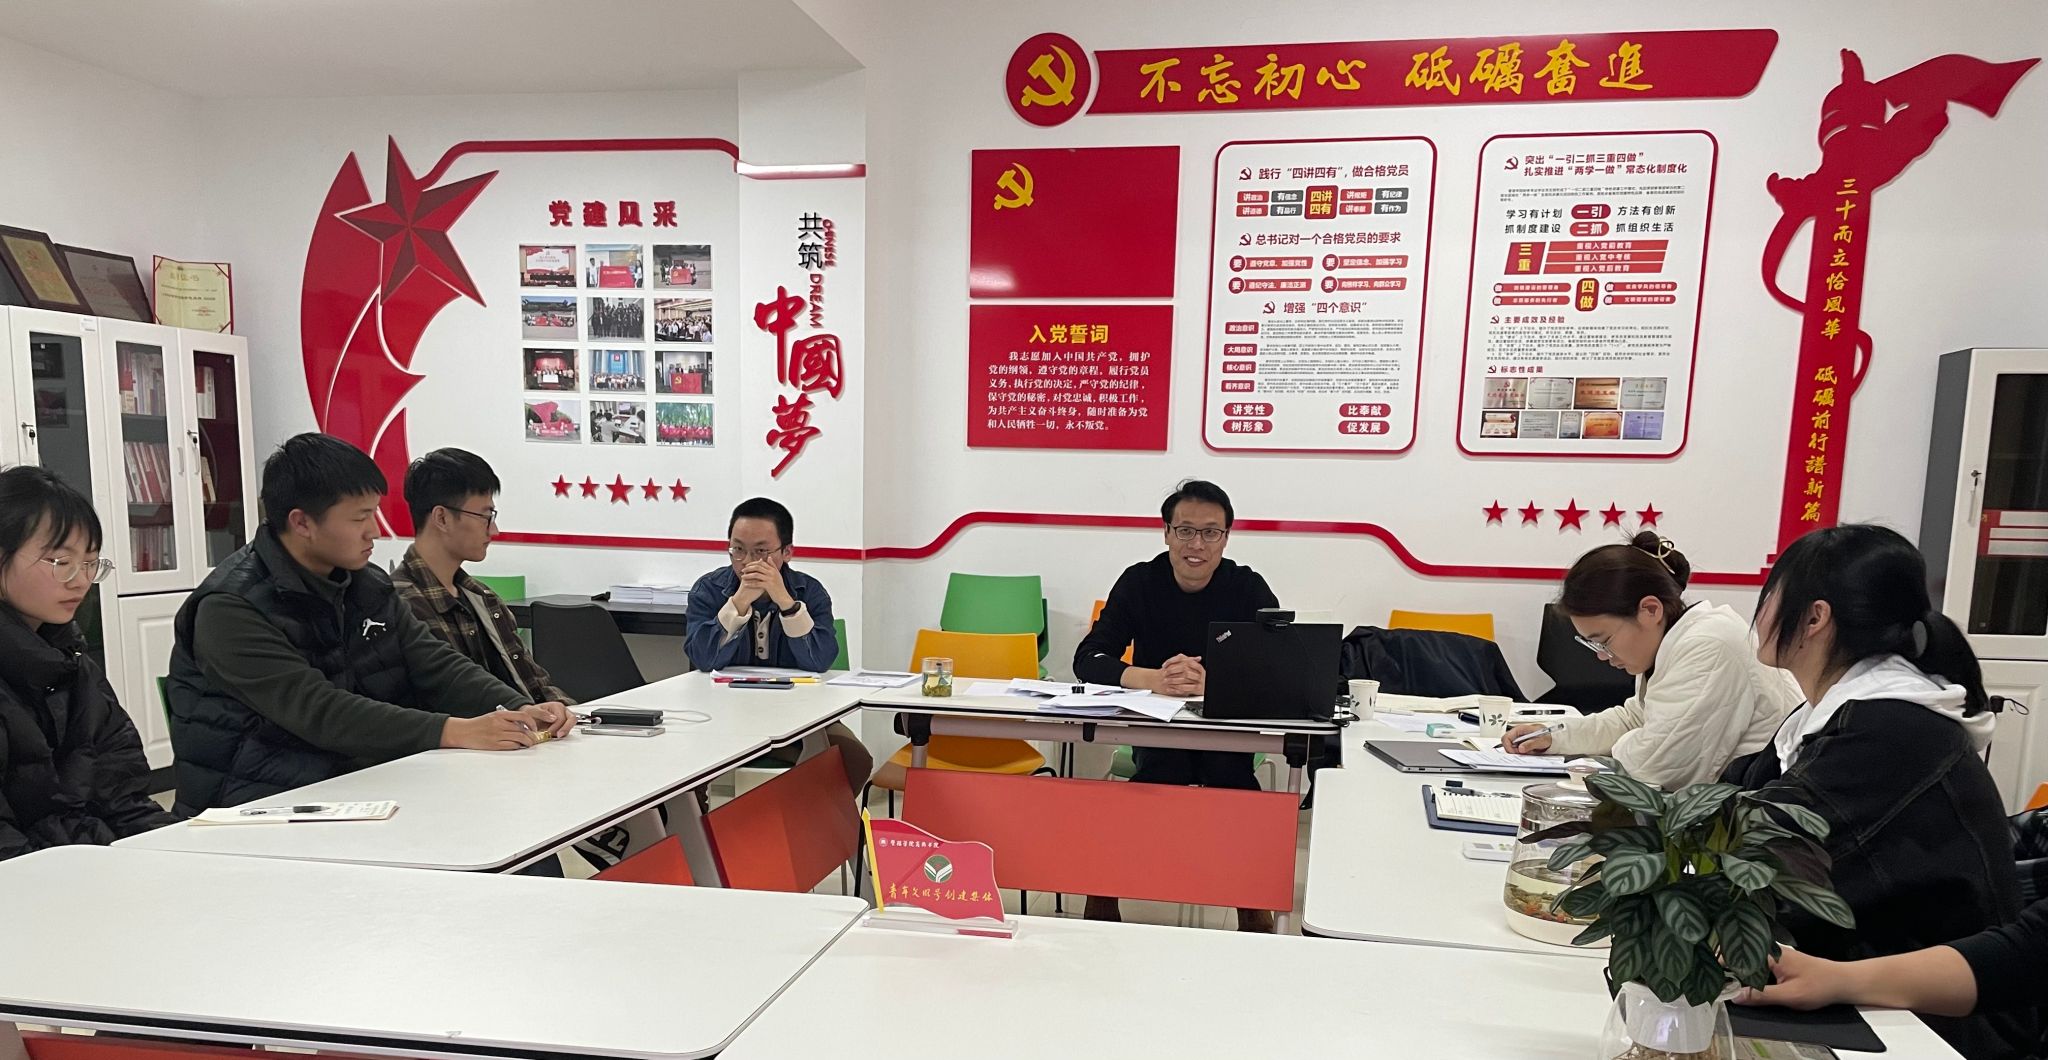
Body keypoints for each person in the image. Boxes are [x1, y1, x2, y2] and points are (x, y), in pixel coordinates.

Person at [1725, 523, 2030, 1060]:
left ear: (1815, 618)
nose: (1761, 610)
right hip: (1864, 977)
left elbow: (1761, 837)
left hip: (1937, 1018)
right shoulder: (1833, 712)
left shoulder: (1892, 727)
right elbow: (1740, 791)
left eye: (1771, 593)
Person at [166, 433, 573, 816]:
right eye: (360, 518)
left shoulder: (365, 584)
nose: (374, 532)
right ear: (302, 523)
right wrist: (454, 730)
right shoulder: (230, 608)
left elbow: (435, 663)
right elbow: (320, 711)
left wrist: (519, 708)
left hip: (357, 784)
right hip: (260, 805)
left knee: (517, 819)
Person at [1073, 479, 1278, 932]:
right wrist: (1153, 679)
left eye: (1210, 532)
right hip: (1158, 730)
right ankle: (1103, 896)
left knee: (1234, 787)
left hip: (1226, 736)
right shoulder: (1139, 582)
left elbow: (1276, 670)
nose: (1196, 544)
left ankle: (1253, 905)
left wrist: (1214, 681)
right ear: (1166, 533)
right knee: (1152, 783)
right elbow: (1088, 659)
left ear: (1226, 537)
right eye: (1185, 530)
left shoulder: (1247, 587)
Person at [1502, 532, 1799, 788]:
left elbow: (1656, 767)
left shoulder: (1708, 647)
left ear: (1650, 610)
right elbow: (1635, 719)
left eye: (1604, 640)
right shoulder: (1676, 642)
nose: (1602, 655)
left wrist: (1630, 742)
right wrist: (1555, 736)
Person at [0, 466, 176, 859]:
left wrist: (181, 854)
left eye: (90, 563)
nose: (80, 581)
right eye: (60, 562)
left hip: (86, 868)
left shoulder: (74, 665)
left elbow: (126, 800)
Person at [684, 497, 871, 792]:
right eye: (738, 549)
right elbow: (703, 658)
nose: (747, 562)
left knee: (853, 757)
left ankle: (810, 819)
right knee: (684, 765)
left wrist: (786, 602)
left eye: (761, 552)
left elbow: (820, 660)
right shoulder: (708, 589)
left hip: (799, 716)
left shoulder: (809, 591)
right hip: (721, 715)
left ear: (786, 552)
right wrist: (738, 602)